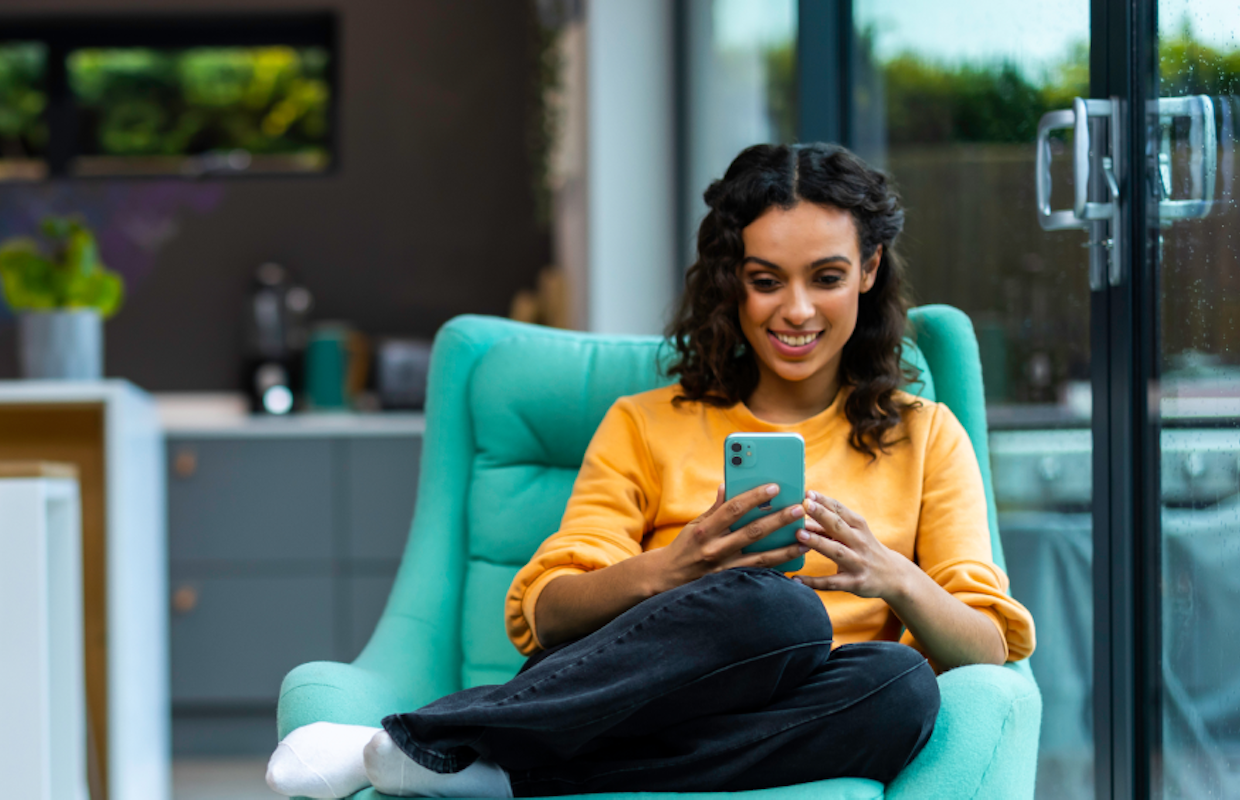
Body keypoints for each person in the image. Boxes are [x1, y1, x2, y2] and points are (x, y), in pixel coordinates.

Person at [264, 142, 1037, 799]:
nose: (796, 310)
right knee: (779, 613)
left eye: (826, 277)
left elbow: (990, 644)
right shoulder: (646, 422)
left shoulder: (925, 435)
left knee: (899, 685)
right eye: (766, 280)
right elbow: (546, 610)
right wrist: (677, 568)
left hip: (797, 716)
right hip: (638, 694)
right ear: (732, 280)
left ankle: (475, 761)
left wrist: (894, 576)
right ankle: (446, 739)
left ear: (868, 271)